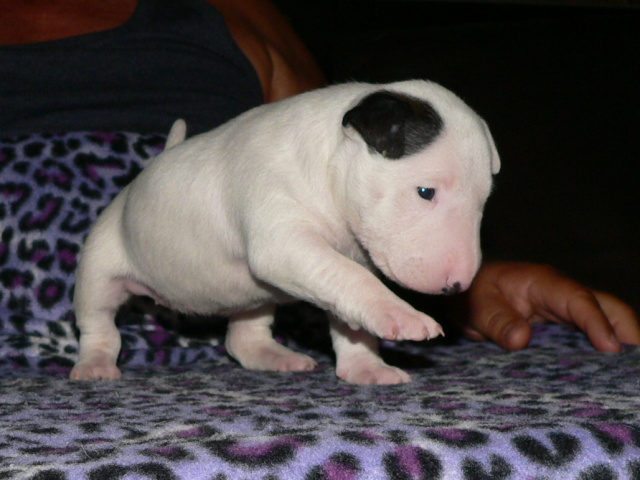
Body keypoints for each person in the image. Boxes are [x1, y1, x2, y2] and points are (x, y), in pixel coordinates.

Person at [1, 0, 638, 352]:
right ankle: (98, 334)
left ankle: (251, 333)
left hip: (232, 292)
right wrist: (374, 301)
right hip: (118, 246)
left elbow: (341, 204)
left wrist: (471, 283)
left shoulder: (235, 12)